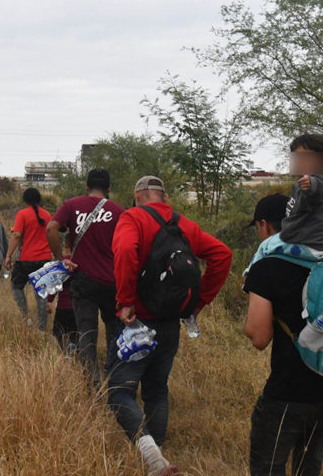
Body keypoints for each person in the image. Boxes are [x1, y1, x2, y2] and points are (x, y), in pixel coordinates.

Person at [108, 176, 232, 476]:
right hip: (170, 321)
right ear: (164, 197)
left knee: (119, 390)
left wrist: (125, 300)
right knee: (157, 388)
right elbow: (222, 255)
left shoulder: (132, 217)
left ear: (138, 196)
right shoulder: (185, 225)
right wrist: (197, 304)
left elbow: (124, 251)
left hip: (137, 320)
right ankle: (157, 452)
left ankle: (152, 457)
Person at [244, 193, 323, 476]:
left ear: (266, 226)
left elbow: (259, 338)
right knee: (310, 467)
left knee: (268, 467)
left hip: (287, 393)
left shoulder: (267, 266)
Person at [47, 169, 124, 384]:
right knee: (113, 333)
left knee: (86, 334)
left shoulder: (71, 205)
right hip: (113, 281)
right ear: (109, 188)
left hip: (83, 280)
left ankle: (93, 383)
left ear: (87, 186)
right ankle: (115, 382)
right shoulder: (119, 211)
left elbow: (51, 228)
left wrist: (59, 258)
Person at [4, 188, 52, 330]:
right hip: (44, 259)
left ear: (25, 200)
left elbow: (17, 235)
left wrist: (8, 256)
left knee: (16, 286)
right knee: (41, 293)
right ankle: (42, 328)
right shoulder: (47, 215)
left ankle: (26, 318)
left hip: (26, 259)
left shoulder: (22, 214)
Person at [46, 234, 77, 353]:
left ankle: (65, 352)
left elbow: (54, 284)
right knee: (76, 333)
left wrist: (49, 301)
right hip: (78, 307)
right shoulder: (82, 262)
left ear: (65, 245)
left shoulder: (62, 263)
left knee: (59, 333)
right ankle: (75, 351)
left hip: (63, 307)